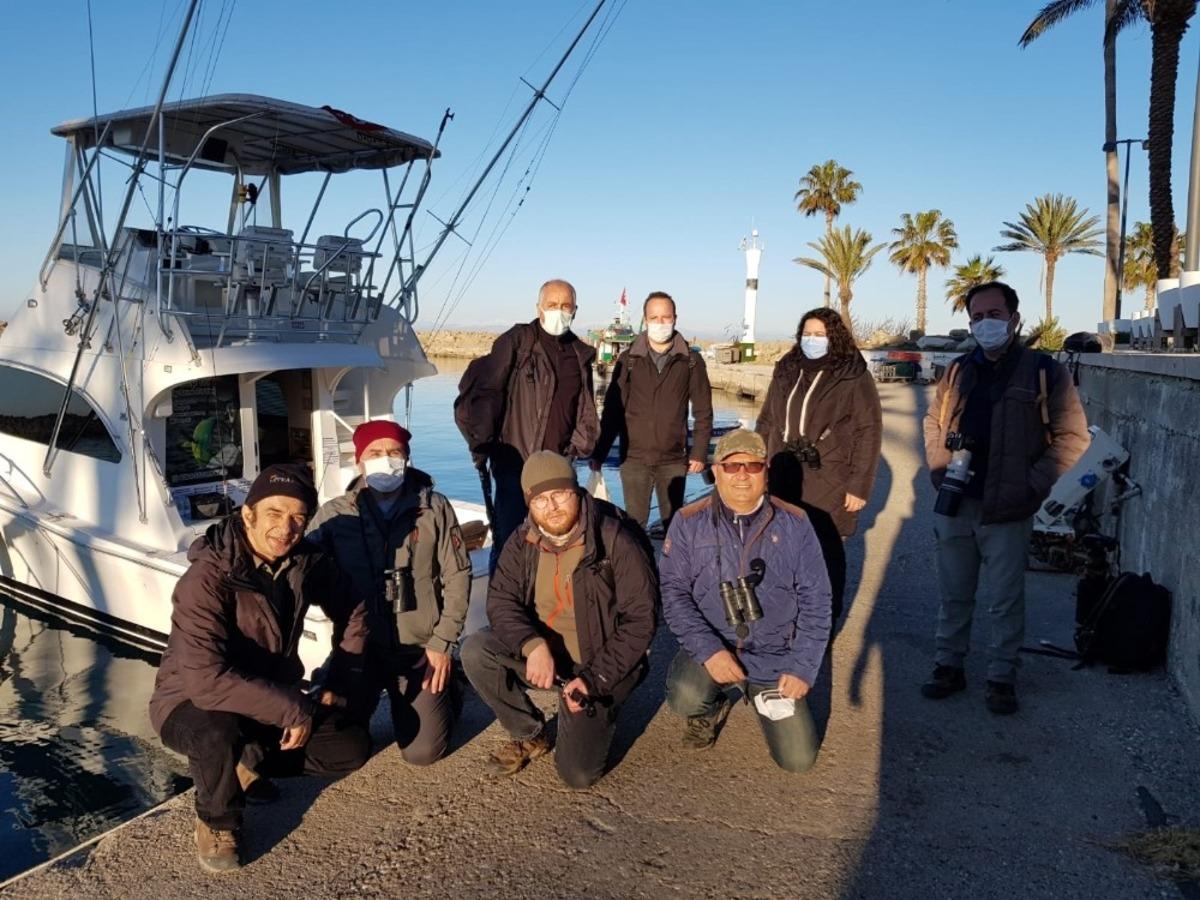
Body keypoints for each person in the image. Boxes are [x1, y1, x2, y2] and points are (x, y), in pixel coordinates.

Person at [149, 464, 370, 873]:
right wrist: (293, 709)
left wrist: (338, 676)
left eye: (298, 517)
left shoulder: (304, 562)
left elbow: (355, 608)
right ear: (247, 514)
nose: (286, 527)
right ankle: (217, 820)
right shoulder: (206, 579)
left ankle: (247, 763)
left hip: (267, 697)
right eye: (274, 513)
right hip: (188, 703)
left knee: (350, 746)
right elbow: (205, 681)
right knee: (216, 732)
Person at [922, 281, 1089, 714]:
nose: (985, 324)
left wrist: (1032, 485)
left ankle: (1001, 675)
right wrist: (939, 468)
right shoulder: (958, 370)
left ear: (1014, 318)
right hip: (957, 502)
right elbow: (932, 423)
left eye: (994, 315)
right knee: (954, 593)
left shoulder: (1043, 371)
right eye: (977, 317)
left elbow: (1073, 437)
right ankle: (948, 665)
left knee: (1005, 598)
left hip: (1009, 509)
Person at [460, 451, 658, 789]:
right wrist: (532, 645)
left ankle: (596, 712)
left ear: (576, 492)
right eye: (540, 499)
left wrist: (595, 678)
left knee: (577, 775)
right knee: (477, 649)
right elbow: (502, 602)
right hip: (548, 657)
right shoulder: (521, 542)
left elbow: (642, 621)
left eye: (560, 494)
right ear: (529, 504)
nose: (551, 507)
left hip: (600, 664)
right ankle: (530, 733)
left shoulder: (616, 539)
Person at [660, 429, 832, 773]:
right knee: (685, 696)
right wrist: (709, 650)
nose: (742, 475)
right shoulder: (687, 522)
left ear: (765, 472)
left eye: (752, 466)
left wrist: (802, 667)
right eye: (732, 466)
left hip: (775, 655)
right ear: (716, 471)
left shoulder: (796, 523)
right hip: (716, 644)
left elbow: (818, 601)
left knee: (798, 760)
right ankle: (711, 706)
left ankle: (759, 692)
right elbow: (673, 593)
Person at [307, 420, 472, 765]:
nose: (387, 459)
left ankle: (446, 691)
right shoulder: (335, 514)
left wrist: (443, 643)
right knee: (334, 734)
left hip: (418, 650)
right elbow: (301, 571)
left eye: (395, 452)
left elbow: (458, 574)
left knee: (422, 752)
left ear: (407, 457)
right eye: (376, 453)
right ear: (360, 461)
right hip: (360, 649)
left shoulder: (434, 508)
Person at [454, 279, 599, 573]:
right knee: (509, 541)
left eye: (565, 306)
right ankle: (503, 608)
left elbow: (583, 407)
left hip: (557, 467)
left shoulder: (578, 354)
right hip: (514, 466)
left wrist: (576, 449)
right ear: (539, 308)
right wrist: (483, 445)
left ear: (575, 311)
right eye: (552, 305)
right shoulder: (519, 342)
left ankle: (544, 606)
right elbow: (488, 392)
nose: (559, 312)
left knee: (555, 542)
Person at [754, 307, 881, 624]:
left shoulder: (853, 374)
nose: (812, 340)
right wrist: (756, 461)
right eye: (807, 334)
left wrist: (859, 485)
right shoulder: (787, 370)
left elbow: (869, 429)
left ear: (834, 337)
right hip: (784, 473)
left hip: (831, 477)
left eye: (820, 335)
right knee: (781, 552)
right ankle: (783, 623)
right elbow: (768, 418)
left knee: (824, 557)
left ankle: (819, 628)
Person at [589, 291, 713, 531]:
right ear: (645, 320)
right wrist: (599, 453)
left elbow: (703, 411)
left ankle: (672, 569)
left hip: (674, 460)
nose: (660, 323)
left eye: (666, 317)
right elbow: (613, 412)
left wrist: (699, 452)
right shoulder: (629, 360)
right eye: (654, 318)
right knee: (634, 526)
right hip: (634, 459)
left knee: (674, 526)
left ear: (675, 318)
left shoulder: (691, 361)